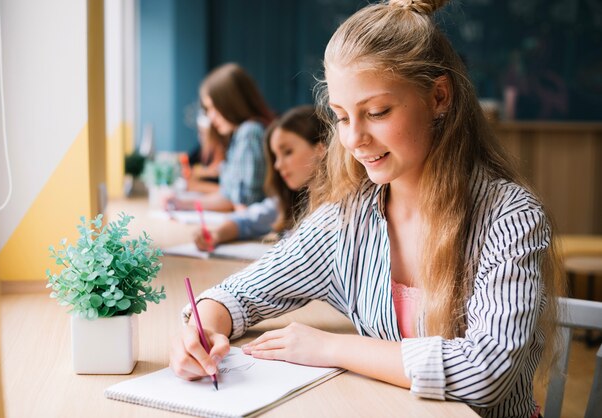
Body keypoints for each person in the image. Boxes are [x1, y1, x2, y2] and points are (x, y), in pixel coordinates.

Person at [169, 2, 564, 417]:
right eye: (341, 117)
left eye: (376, 112)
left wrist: (333, 347)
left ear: (439, 97)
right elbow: (240, 294)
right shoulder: (348, 220)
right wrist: (199, 329)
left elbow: (487, 373)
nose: (354, 138)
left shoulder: (509, 217)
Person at [193, 105, 327, 251]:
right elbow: (250, 220)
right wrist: (216, 233)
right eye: (275, 156)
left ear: (320, 149)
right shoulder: (293, 200)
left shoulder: (336, 210)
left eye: (288, 152)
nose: (277, 165)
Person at [166, 63, 274, 211]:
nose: (210, 116)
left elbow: (244, 203)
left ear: (231, 103)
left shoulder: (249, 133)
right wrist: (181, 204)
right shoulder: (241, 133)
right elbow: (229, 196)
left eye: (213, 108)